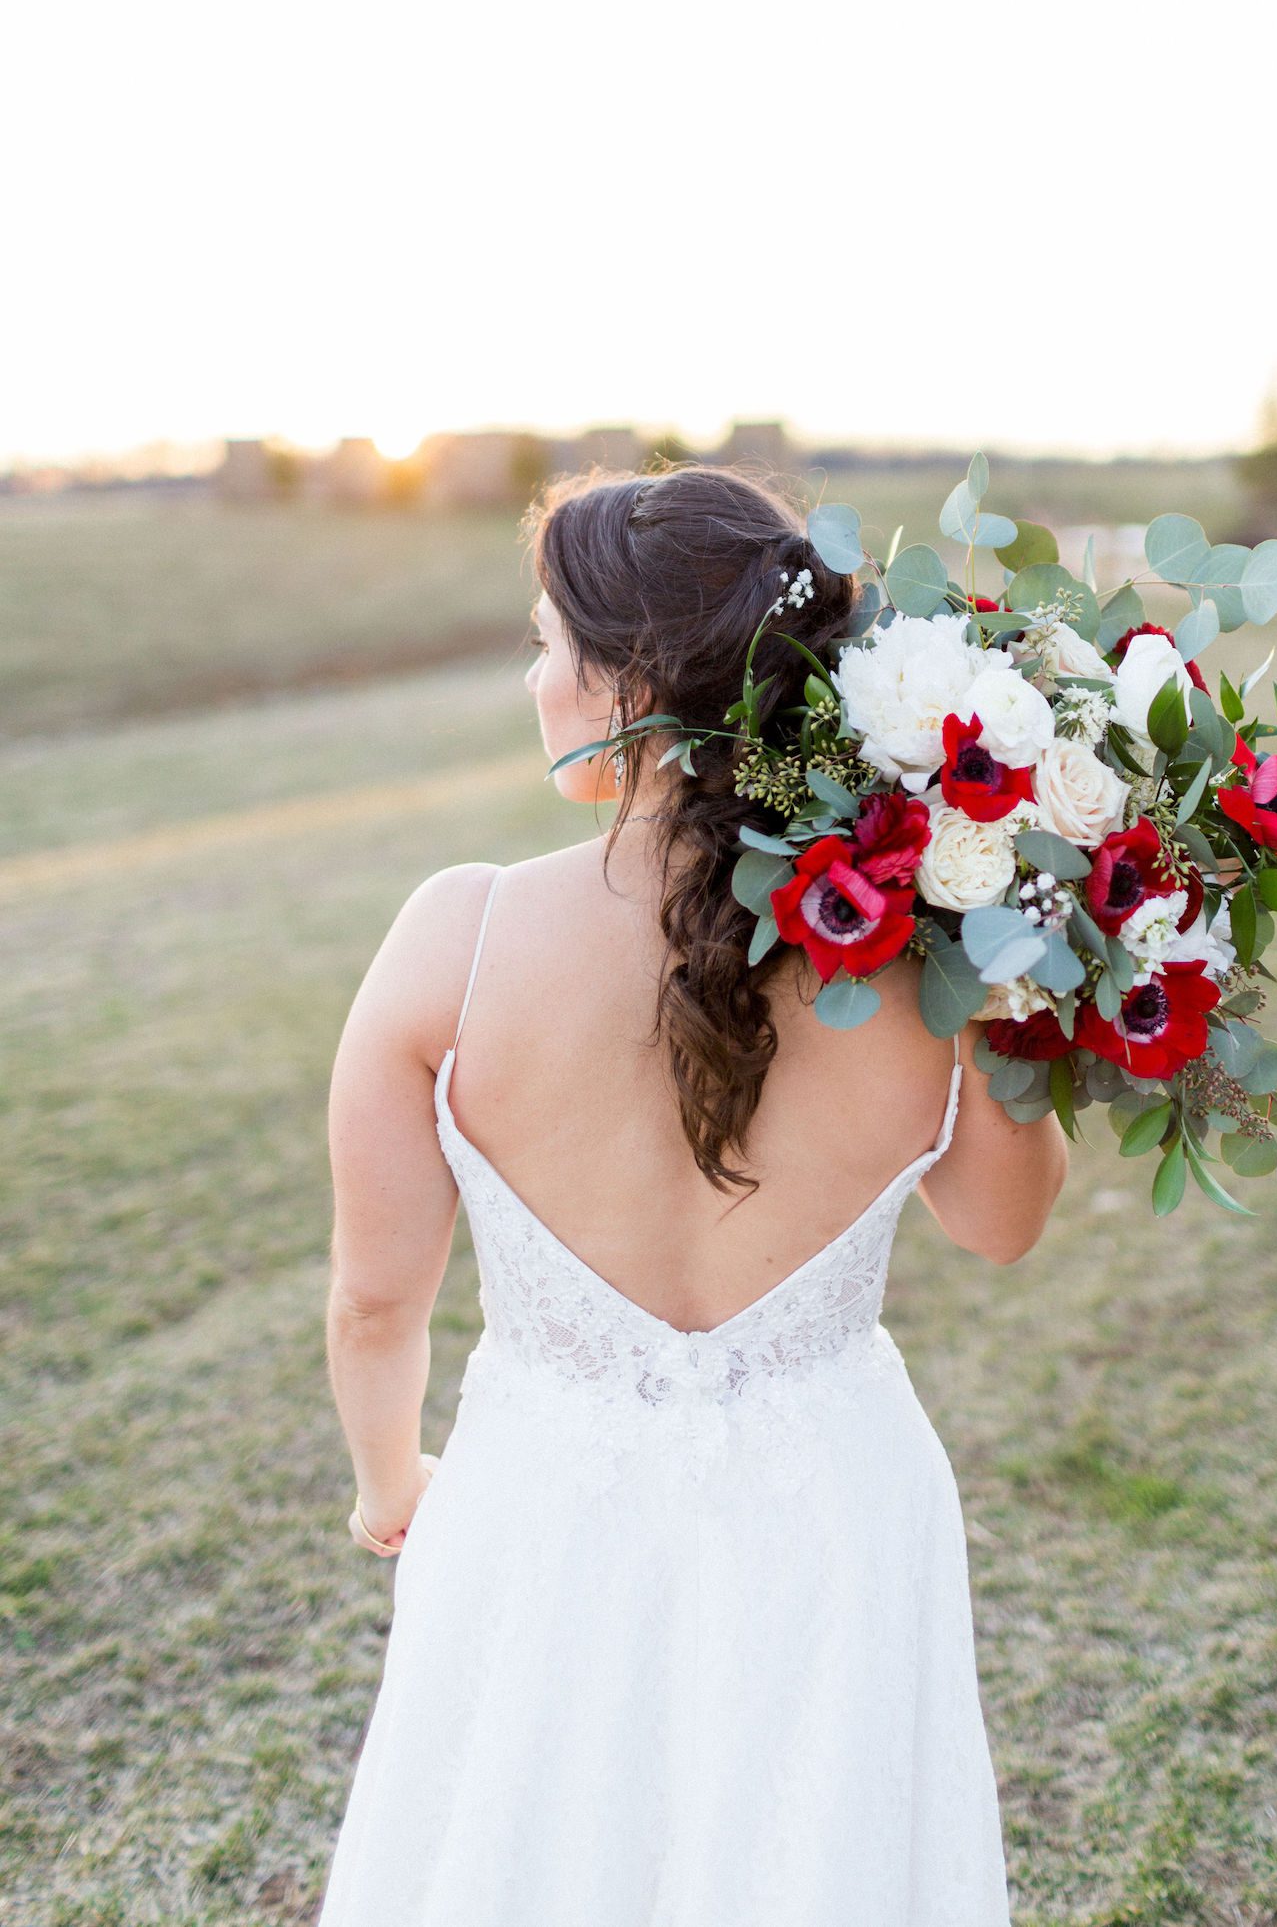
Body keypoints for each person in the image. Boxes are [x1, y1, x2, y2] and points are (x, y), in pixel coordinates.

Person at [316, 463, 1068, 1925]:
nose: (531, 676)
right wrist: (1018, 979)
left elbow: (372, 1298)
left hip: (542, 1499)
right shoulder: (918, 963)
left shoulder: (452, 939)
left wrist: (391, 1480)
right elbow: (1005, 1221)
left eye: (546, 642)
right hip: (836, 1509)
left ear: (632, 680)